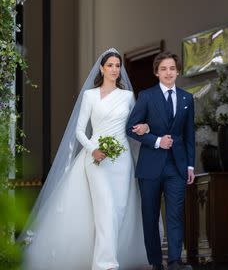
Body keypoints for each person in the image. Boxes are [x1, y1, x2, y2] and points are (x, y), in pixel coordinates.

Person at [22, 49, 149, 270]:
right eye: (109, 65)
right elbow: (80, 131)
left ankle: (109, 256)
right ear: (102, 68)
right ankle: (105, 264)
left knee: (118, 210)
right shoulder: (90, 95)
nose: (114, 69)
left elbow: (133, 127)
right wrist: (93, 149)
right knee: (105, 208)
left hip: (121, 159)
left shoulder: (128, 96)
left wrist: (145, 127)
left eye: (117, 66)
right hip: (95, 157)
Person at [126, 51, 195, 270]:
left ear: (178, 71)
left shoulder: (187, 98)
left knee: (175, 215)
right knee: (150, 216)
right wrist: (156, 141)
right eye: (164, 69)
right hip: (150, 166)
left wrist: (190, 165)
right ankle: (156, 262)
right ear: (156, 72)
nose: (168, 73)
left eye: (172, 68)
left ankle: (174, 261)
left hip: (177, 166)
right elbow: (131, 128)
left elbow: (189, 135)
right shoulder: (146, 96)